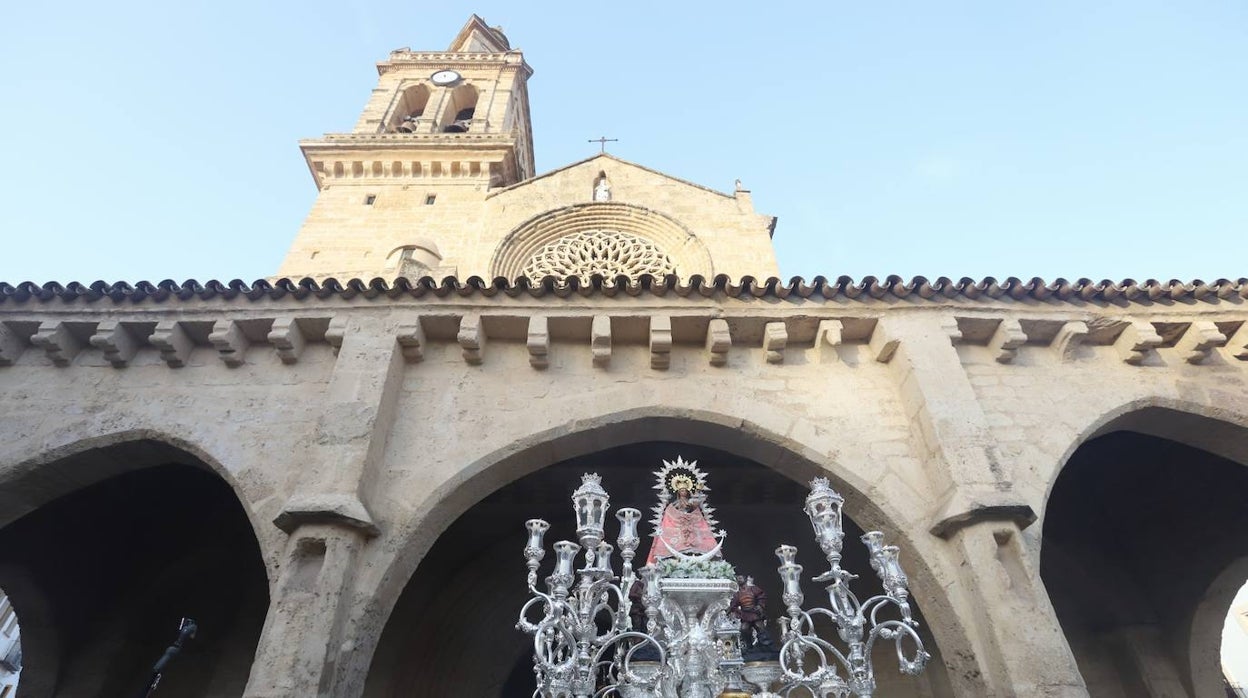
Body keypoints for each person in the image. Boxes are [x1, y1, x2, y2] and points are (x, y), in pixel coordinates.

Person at [646, 473, 718, 565]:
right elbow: (672, 509)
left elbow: (694, 506)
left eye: (684, 490)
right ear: (678, 492)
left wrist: (697, 491)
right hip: (678, 522)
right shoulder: (676, 503)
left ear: (687, 492)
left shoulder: (689, 501)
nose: (683, 492)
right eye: (681, 490)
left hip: (690, 522)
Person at [730, 575, 774, 652]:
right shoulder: (738, 594)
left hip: (755, 613)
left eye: (741, 578)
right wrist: (739, 613)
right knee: (744, 629)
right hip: (745, 615)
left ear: (745, 579)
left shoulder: (753, 589)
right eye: (738, 579)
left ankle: (766, 645)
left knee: (760, 627)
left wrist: (759, 606)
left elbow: (761, 597)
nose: (739, 580)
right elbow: (733, 606)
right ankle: (748, 646)